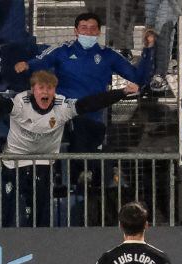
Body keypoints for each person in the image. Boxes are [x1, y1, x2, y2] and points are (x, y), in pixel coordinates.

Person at [0, 70, 137, 227]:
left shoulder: (62, 106)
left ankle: (38, 250)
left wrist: (122, 92)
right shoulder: (20, 102)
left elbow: (90, 103)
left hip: (43, 165)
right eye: (41, 88)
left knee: (40, 217)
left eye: (50, 88)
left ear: (54, 90)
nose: (45, 92)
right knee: (4, 213)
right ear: (33, 90)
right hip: (13, 163)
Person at [14, 12, 154, 157]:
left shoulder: (108, 55)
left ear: (99, 31)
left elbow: (138, 78)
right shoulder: (63, 50)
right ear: (76, 31)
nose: (88, 32)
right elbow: (40, 62)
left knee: (87, 156)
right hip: (63, 116)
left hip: (93, 117)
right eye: (84, 28)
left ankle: (85, 175)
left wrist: (148, 49)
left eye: (93, 29)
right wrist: (26, 65)